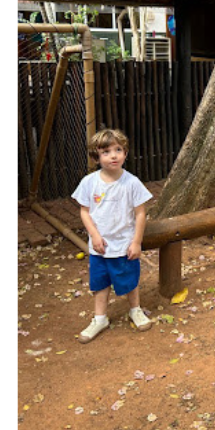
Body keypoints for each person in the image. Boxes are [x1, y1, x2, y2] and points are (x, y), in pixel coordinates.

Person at [71, 129, 154, 343]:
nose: (113, 155)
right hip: (100, 246)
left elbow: (140, 212)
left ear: (125, 153)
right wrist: (95, 236)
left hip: (124, 244)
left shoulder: (132, 183)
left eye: (118, 150)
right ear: (96, 157)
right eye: (106, 152)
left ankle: (135, 310)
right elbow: (84, 211)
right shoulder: (89, 183)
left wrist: (136, 242)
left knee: (130, 279)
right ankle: (100, 318)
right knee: (100, 282)